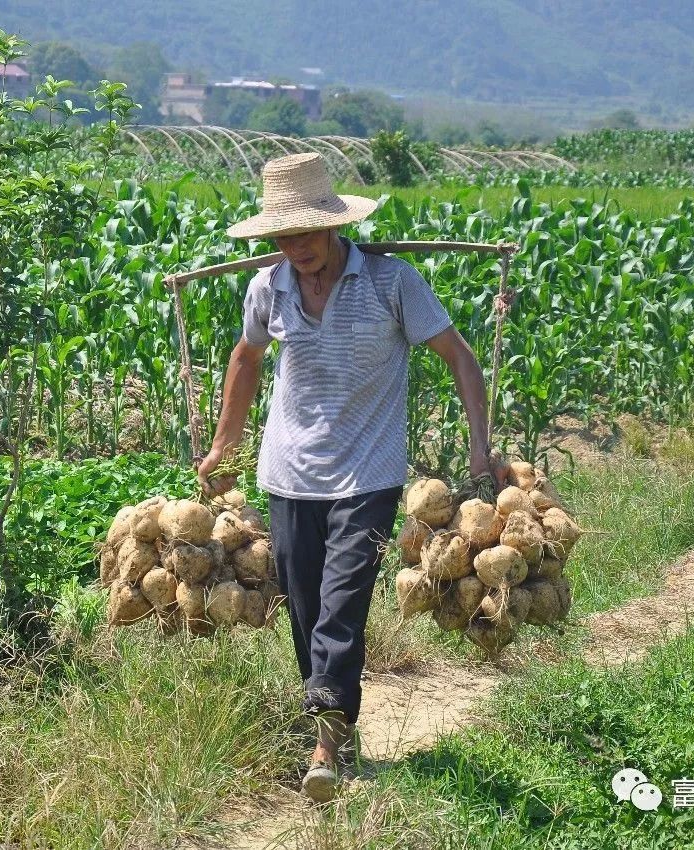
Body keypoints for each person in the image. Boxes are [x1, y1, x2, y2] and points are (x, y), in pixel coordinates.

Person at [197, 152, 506, 803]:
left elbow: (460, 357)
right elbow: (246, 358)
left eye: (307, 232)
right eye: (283, 236)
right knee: (306, 612)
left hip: (367, 475)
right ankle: (336, 720)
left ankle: (325, 747)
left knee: (341, 605)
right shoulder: (268, 287)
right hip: (287, 475)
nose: (296, 247)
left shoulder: (392, 283)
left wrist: (481, 449)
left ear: (335, 225)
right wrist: (225, 446)